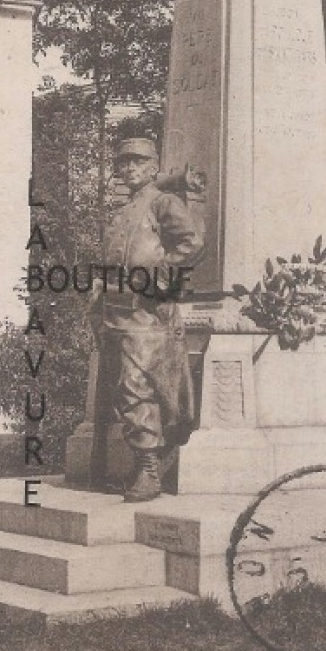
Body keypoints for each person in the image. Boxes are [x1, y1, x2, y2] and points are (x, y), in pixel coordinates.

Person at [90, 137, 205, 503]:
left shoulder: (163, 202)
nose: (129, 169)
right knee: (122, 388)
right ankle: (139, 461)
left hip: (148, 311)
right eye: (124, 163)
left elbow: (191, 243)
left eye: (137, 162)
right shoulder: (123, 212)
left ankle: (149, 469)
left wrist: (157, 278)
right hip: (117, 310)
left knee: (136, 384)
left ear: (153, 167)